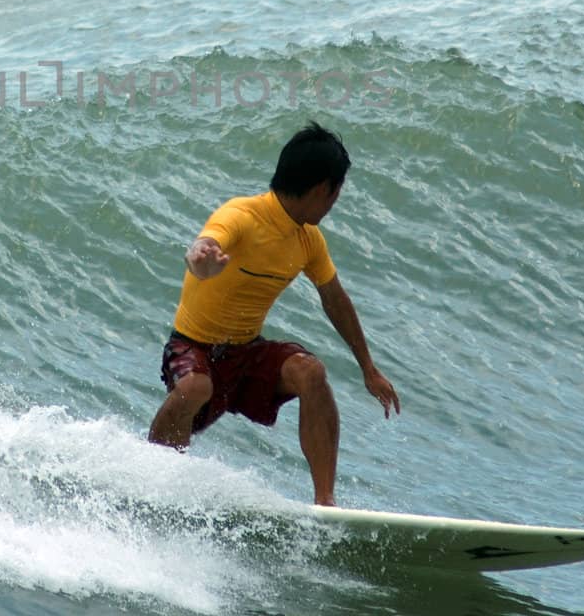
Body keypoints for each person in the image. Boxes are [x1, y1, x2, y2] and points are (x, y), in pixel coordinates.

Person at [147, 121, 400, 506]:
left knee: (310, 372)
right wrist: (203, 260)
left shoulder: (307, 240)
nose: (334, 203)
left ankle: (325, 504)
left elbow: (335, 299)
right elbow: (204, 245)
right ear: (321, 189)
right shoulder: (243, 215)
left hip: (246, 353)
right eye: (336, 193)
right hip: (193, 348)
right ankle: (150, 476)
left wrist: (368, 367)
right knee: (196, 387)